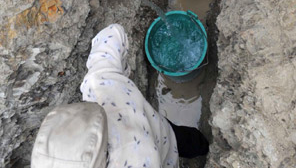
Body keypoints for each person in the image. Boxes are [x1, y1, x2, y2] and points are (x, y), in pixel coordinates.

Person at [31, 24, 209, 168]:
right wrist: (123, 74)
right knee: (189, 140)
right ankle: (204, 146)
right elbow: (113, 33)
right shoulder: (98, 84)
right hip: (158, 127)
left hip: (163, 149)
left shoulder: (139, 160)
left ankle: (205, 148)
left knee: (183, 142)